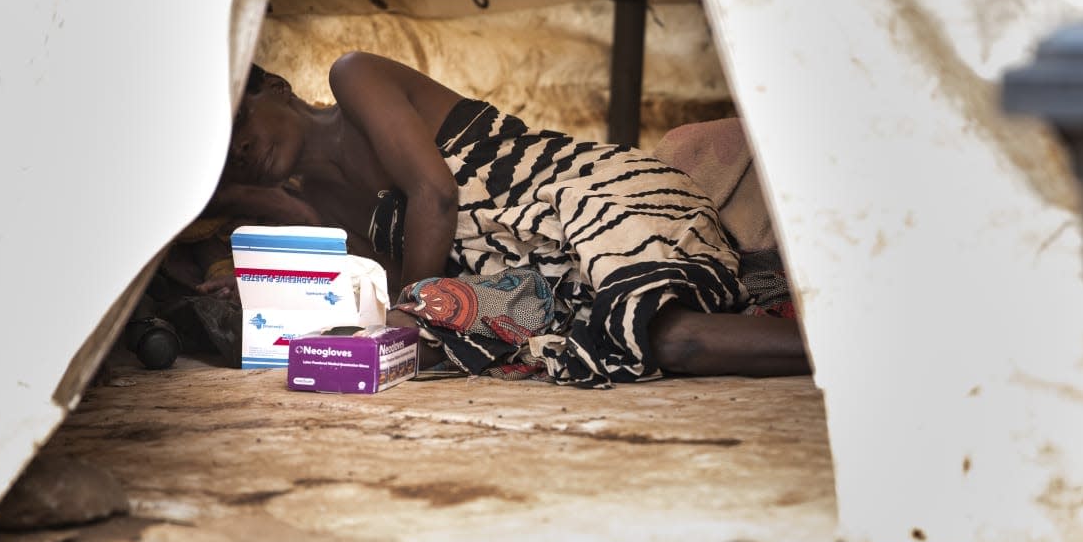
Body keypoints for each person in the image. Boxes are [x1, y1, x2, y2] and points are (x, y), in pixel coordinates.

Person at [202, 51, 810, 385]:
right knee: (666, 344)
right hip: (542, 273)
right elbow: (390, 284)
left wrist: (414, 304)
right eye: (225, 159)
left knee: (672, 330)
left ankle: (879, 352)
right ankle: (856, 351)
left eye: (238, 129)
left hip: (586, 194)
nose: (242, 152)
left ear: (276, 87)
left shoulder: (353, 76)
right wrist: (289, 213)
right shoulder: (324, 206)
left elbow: (434, 196)